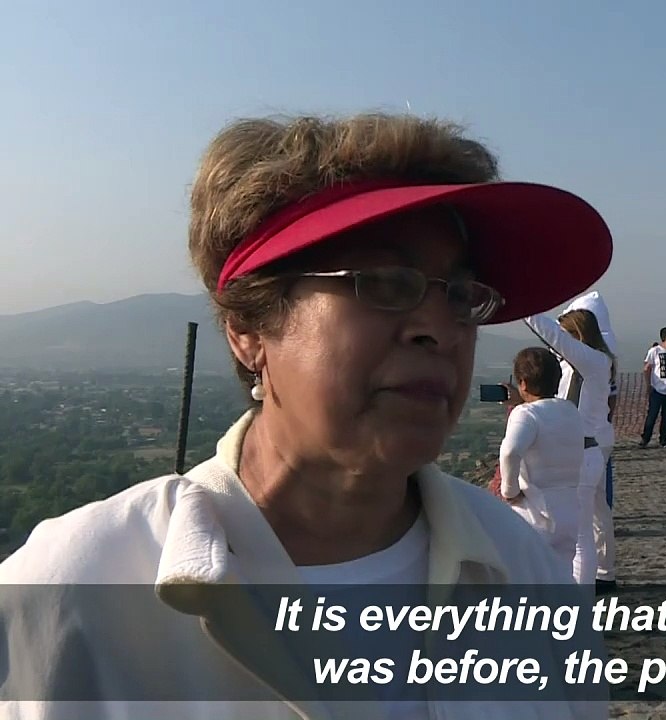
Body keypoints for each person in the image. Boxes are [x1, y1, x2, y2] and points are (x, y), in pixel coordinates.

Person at [0, 112, 611, 718]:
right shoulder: (71, 592)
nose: (437, 329)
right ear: (249, 327)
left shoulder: (523, 571)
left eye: (459, 295)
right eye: (383, 283)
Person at [524, 308, 615, 591]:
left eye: (567, 338)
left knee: (580, 533)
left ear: (579, 336)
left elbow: (549, 333)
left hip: (583, 453)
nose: (560, 345)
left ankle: (579, 597)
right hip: (579, 451)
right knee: (579, 529)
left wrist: (524, 305)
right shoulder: (578, 367)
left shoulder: (594, 361)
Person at [499, 347, 586, 574]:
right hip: (568, 507)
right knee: (560, 576)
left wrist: (509, 490)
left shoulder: (526, 414)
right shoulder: (570, 411)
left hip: (534, 510)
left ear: (523, 383)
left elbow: (510, 451)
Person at [562, 291, 620, 590]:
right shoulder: (607, 350)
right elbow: (611, 400)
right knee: (599, 509)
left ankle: (583, 584)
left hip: (586, 440)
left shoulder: (586, 355)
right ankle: (606, 571)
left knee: (583, 519)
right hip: (601, 435)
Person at [640, 327, 666, 449]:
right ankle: (645, 438)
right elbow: (647, 368)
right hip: (657, 389)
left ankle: (663, 439)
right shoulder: (655, 351)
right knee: (652, 414)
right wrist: (648, 384)